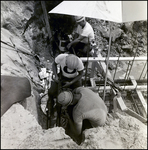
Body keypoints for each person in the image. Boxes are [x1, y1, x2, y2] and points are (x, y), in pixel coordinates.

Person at [47, 53, 84, 127]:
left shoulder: (79, 63)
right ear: (66, 62)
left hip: (74, 79)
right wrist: (56, 76)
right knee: (51, 92)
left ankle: (76, 111)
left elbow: (80, 74)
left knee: (80, 95)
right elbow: (54, 64)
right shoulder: (61, 57)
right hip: (62, 77)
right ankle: (50, 106)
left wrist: (71, 82)